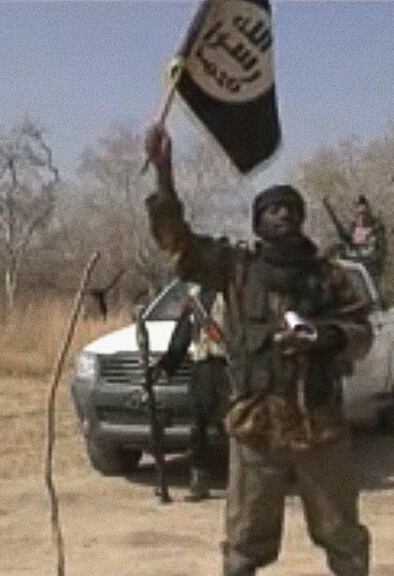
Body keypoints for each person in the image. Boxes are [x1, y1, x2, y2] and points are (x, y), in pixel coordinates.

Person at [144, 123, 373, 576]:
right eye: (272, 209)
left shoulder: (328, 275)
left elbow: (361, 331)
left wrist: (325, 336)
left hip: (320, 423)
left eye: (290, 208)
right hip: (256, 425)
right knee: (246, 542)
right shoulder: (237, 268)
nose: (283, 215)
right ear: (258, 222)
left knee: (342, 536)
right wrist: (164, 174)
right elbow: (179, 245)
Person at [154, 284, 229, 502]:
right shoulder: (195, 297)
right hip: (202, 368)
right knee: (198, 428)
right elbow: (182, 335)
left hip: (229, 367)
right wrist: (167, 365)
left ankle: (239, 483)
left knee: (232, 427)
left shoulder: (234, 291)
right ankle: (199, 481)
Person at [345, 195, 386, 278]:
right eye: (359, 214)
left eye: (364, 214)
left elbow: (374, 253)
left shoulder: (376, 229)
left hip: (371, 272)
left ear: (369, 213)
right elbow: (346, 249)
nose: (362, 217)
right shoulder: (353, 228)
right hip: (353, 270)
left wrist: (353, 254)